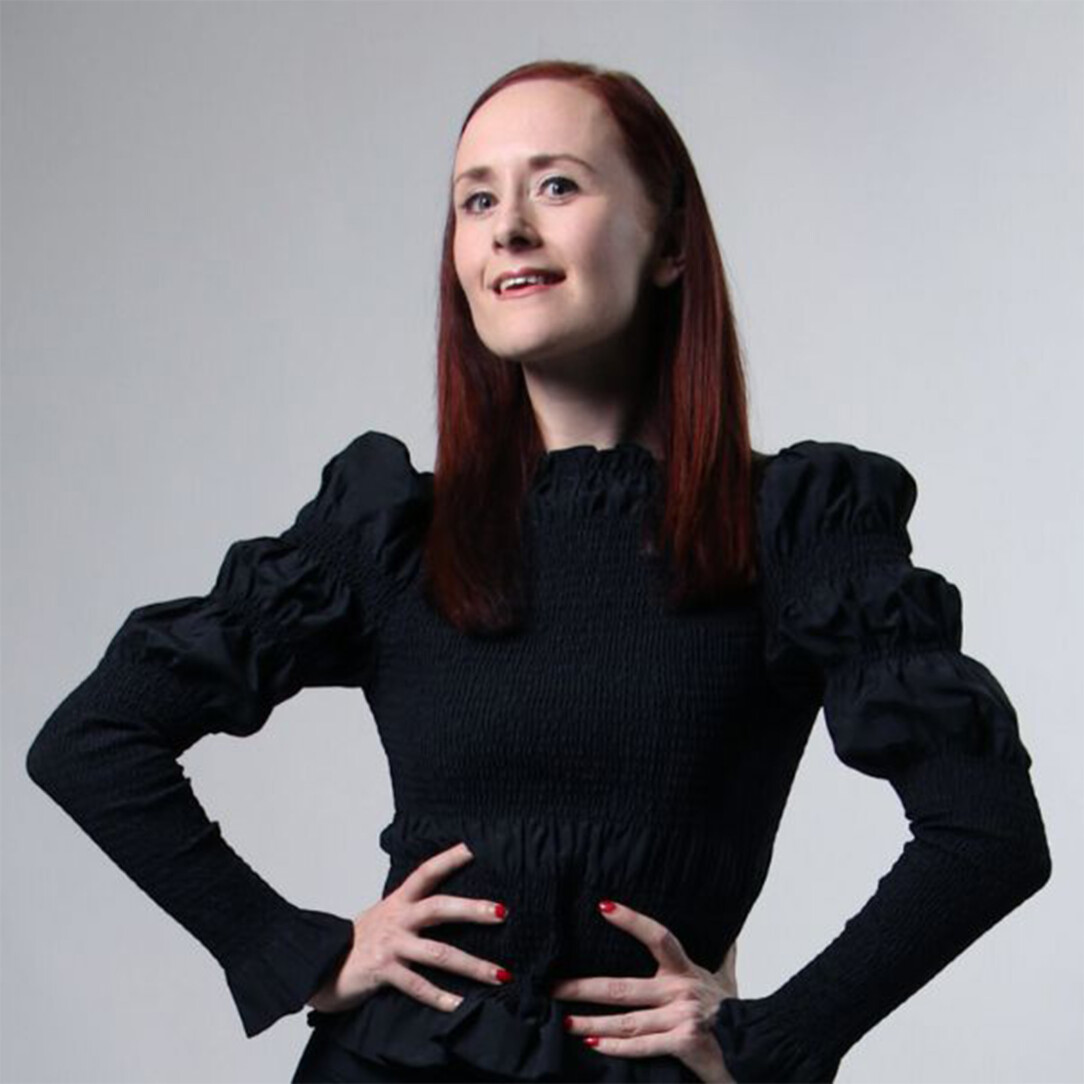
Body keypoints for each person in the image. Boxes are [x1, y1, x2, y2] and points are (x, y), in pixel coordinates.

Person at [25, 58, 1052, 1084]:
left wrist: (777, 1037)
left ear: (669, 243)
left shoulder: (796, 527)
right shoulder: (389, 532)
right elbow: (95, 738)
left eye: (557, 185)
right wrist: (293, 950)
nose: (508, 228)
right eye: (476, 200)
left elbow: (986, 832)